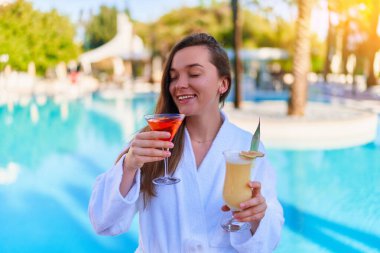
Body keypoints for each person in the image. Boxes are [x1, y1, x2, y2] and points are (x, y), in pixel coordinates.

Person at [88, 33, 284, 252]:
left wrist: (257, 217)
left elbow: (269, 239)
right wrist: (129, 165)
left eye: (194, 73)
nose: (180, 85)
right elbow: (102, 222)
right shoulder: (151, 142)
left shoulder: (247, 148)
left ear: (223, 83)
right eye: (173, 77)